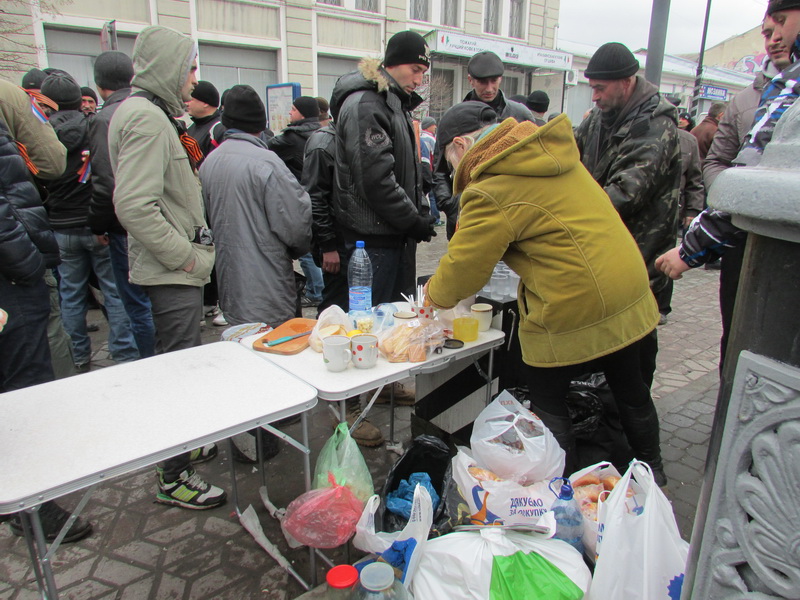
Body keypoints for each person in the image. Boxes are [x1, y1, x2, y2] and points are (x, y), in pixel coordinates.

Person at [423, 102, 665, 484]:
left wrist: (430, 301)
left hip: (575, 300)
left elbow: (462, 272)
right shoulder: (549, 154)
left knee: (548, 400)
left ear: (460, 144)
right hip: (627, 286)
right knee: (631, 391)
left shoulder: (492, 187)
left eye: (450, 161)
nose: (453, 171)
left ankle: (559, 497)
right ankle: (653, 478)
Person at [108, 25, 225, 510]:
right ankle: (173, 476)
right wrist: (188, 256)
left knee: (180, 363)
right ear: (168, 68)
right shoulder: (147, 118)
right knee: (179, 373)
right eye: (190, 68)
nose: (194, 80)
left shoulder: (150, 113)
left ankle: (185, 446)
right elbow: (134, 206)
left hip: (175, 270)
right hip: (171, 271)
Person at [656, 0, 800, 370]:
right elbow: (724, 164)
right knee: (739, 343)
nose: (773, 38)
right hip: (743, 237)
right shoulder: (754, 97)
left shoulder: (789, 92)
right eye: (767, 31)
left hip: (777, 249)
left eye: (781, 24)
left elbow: (755, 175)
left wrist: (694, 244)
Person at [0, 80, 93, 543]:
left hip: (52, 231)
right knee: (25, 387)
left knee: (72, 304)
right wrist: (26, 260)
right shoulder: (10, 97)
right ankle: (32, 504)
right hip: (16, 270)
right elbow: (53, 161)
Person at [574, 42, 680, 389]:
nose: (595, 97)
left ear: (627, 82)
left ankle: (631, 429)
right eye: (592, 88)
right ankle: (600, 413)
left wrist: (565, 218)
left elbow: (626, 192)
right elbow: (566, 154)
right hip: (603, 253)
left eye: (600, 88)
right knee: (600, 345)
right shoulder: (598, 122)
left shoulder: (655, 125)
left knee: (632, 355)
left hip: (641, 256)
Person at [39, 71, 140, 372]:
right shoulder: (93, 128)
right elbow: (105, 177)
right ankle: (123, 353)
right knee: (114, 291)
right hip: (96, 225)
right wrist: (102, 222)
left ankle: (78, 356)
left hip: (60, 225)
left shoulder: (41, 135)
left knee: (70, 295)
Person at [329, 30, 436, 306]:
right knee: (374, 326)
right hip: (372, 245)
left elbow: (404, 172)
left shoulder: (394, 103)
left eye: (423, 72)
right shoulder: (367, 104)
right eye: (415, 70)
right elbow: (376, 180)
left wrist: (419, 213)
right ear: (392, 64)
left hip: (391, 238)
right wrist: (413, 220)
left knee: (395, 324)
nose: (418, 80)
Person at [200, 85, 312, 326]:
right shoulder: (268, 162)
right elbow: (296, 224)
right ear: (261, 124)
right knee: (276, 347)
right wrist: (298, 249)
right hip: (268, 285)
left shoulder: (210, 162)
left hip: (230, 282)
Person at [86, 50, 156, 359]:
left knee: (136, 300)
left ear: (100, 85)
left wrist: (99, 224)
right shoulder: (150, 107)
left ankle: (147, 362)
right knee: (153, 299)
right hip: (156, 219)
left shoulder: (106, 118)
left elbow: (106, 181)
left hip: (124, 225)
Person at [434, 51, 533, 240]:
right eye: (483, 82)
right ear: (471, 80)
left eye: (494, 81)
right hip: (465, 213)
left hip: (512, 215)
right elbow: (439, 171)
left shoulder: (521, 115)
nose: (489, 88)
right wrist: (452, 204)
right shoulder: (454, 118)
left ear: (501, 79)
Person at [268, 95, 324, 307]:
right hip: (320, 200)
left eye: (292, 109)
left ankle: (316, 290)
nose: (289, 113)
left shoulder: (290, 139)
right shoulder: (321, 133)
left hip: (301, 199)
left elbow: (267, 149)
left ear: (302, 113)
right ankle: (318, 288)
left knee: (306, 251)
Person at [186, 80, 224, 164]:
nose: (186, 104)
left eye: (190, 100)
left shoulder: (219, 128)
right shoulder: (189, 128)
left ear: (205, 103)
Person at [419, 116, 441, 225]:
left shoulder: (419, 136)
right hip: (430, 169)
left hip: (422, 169)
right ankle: (435, 218)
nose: (435, 127)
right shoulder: (431, 138)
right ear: (429, 126)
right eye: (433, 124)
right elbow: (436, 154)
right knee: (433, 195)